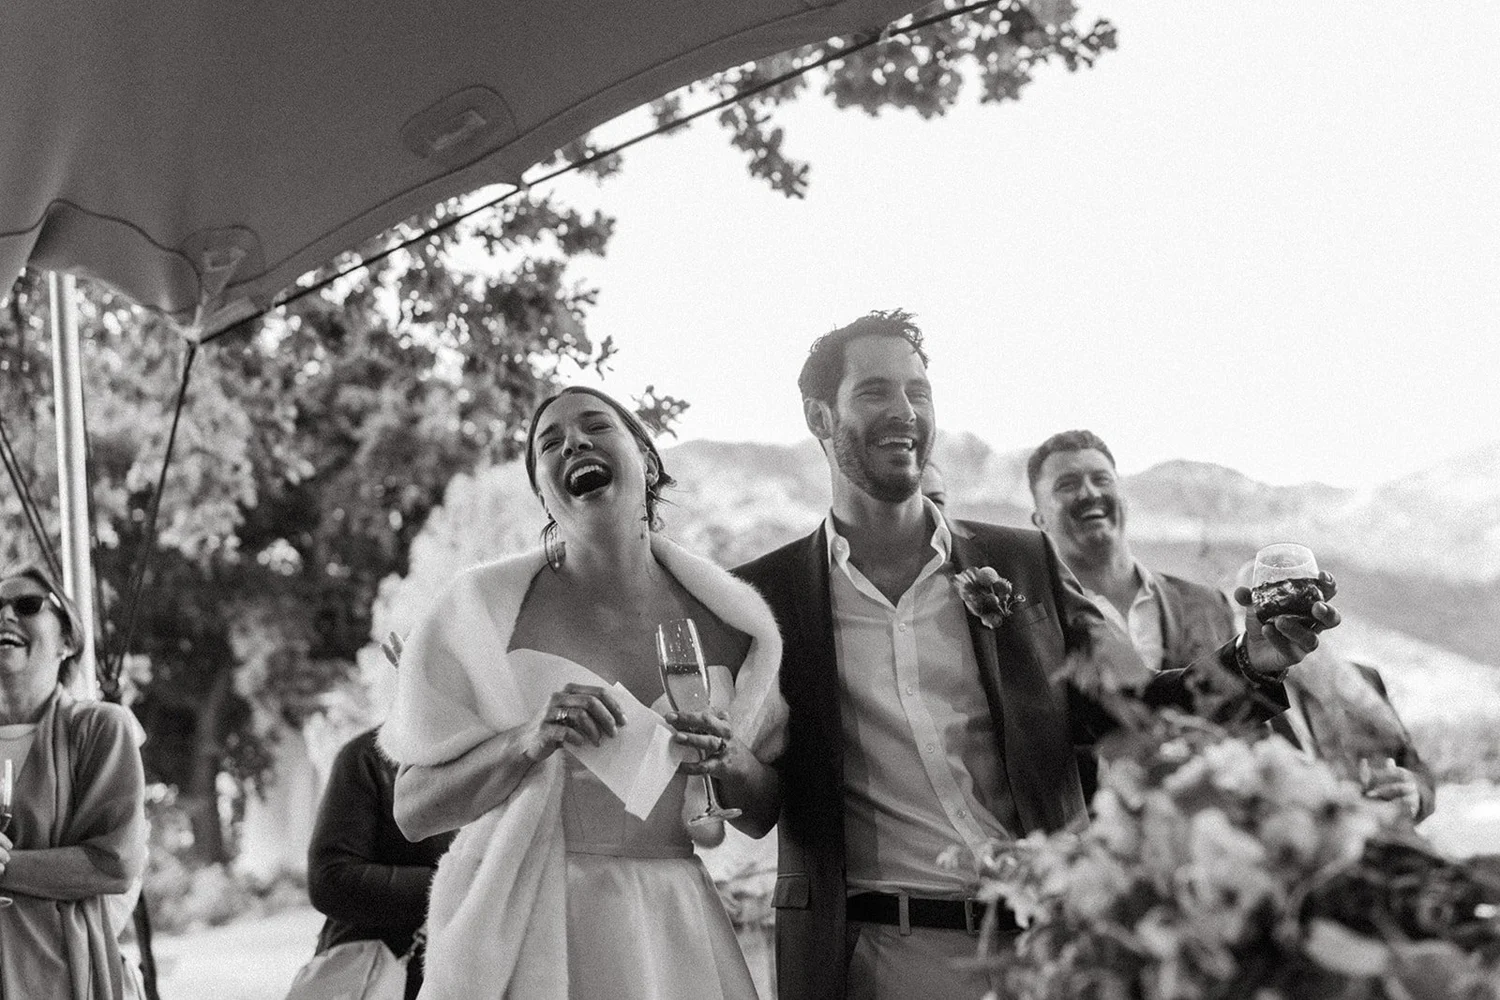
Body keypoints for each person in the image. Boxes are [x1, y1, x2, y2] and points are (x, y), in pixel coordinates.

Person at [732, 310, 1340, 1000]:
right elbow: (753, 790)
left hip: (1047, 944)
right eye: (874, 391)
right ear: (819, 416)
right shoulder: (768, 597)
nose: (904, 411)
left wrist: (1251, 658)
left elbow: (1131, 707)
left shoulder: (1022, 561)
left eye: (918, 392)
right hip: (874, 958)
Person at [380, 386, 786, 1000]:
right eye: (550, 443)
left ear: (646, 460)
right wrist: (526, 740)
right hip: (530, 930)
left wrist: (731, 760)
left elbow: (762, 815)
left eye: (596, 426)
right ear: (543, 492)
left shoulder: (733, 623)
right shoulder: (481, 613)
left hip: (673, 933)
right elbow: (413, 810)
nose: (573, 443)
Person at [0, 562, 148, 1000]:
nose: (5, 615)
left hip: (56, 975)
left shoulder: (100, 729)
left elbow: (114, 862)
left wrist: (7, 867)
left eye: (27, 605)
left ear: (68, 640)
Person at [1231, 562, 1434, 822]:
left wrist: (1415, 792)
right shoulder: (1238, 698)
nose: (1281, 621)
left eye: (1291, 602)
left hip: (1382, 836)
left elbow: (1415, 767)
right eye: (1265, 607)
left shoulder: (1363, 679)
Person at [1027, 429, 1232, 673]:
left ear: (1123, 499)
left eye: (1102, 479)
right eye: (1068, 484)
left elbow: (1245, 696)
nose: (1090, 493)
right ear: (1040, 519)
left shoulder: (1208, 605)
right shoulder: (1031, 623)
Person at [306, 725, 457, 1000]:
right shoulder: (370, 756)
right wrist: (454, 885)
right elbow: (329, 879)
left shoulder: (520, 755)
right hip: (377, 978)